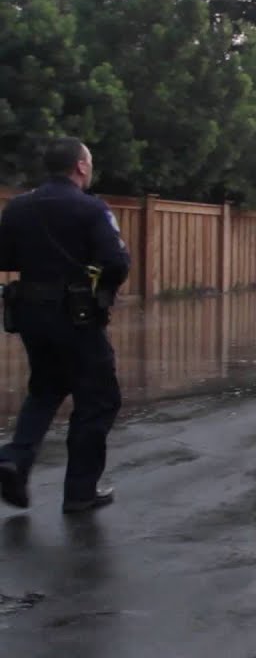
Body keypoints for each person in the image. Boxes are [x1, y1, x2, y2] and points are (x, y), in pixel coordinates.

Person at [0, 137, 131, 513]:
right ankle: (79, 493)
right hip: (76, 315)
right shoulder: (91, 209)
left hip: (28, 313)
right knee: (99, 399)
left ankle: (13, 459)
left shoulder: (18, 207)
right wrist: (101, 290)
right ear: (81, 167)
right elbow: (116, 262)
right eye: (89, 163)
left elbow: (4, 255)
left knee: (45, 388)